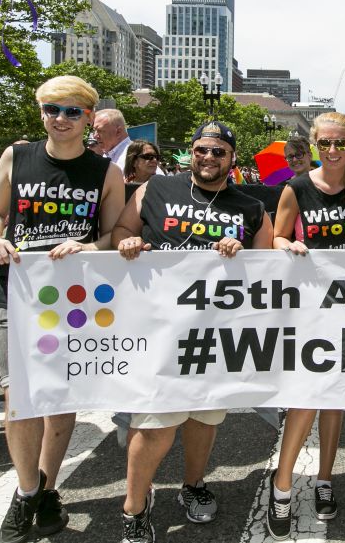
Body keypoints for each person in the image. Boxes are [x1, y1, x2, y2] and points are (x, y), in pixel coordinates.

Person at [0, 76, 125, 543]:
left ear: (88, 118)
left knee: (59, 398)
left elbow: (115, 234)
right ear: (41, 112)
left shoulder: (105, 173)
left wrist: (88, 246)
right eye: (51, 109)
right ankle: (27, 493)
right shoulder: (16, 157)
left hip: (74, 298)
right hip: (17, 291)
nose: (60, 119)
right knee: (19, 398)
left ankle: (47, 488)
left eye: (71, 111)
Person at [113, 120, 271, 543]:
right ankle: (134, 506)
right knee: (155, 423)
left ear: (232, 158)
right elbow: (123, 230)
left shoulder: (251, 207)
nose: (208, 157)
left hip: (216, 334)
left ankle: (194, 485)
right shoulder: (156, 189)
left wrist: (242, 255)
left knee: (203, 416)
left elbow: (268, 268)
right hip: (160, 330)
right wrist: (128, 243)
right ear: (191, 151)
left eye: (219, 152)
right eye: (202, 149)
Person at [265, 112, 345, 539]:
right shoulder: (297, 187)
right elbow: (275, 236)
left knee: (335, 399)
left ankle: (325, 478)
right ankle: (282, 486)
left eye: (340, 143)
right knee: (306, 397)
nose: (332, 150)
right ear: (314, 145)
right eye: (324, 143)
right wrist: (288, 244)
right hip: (308, 305)